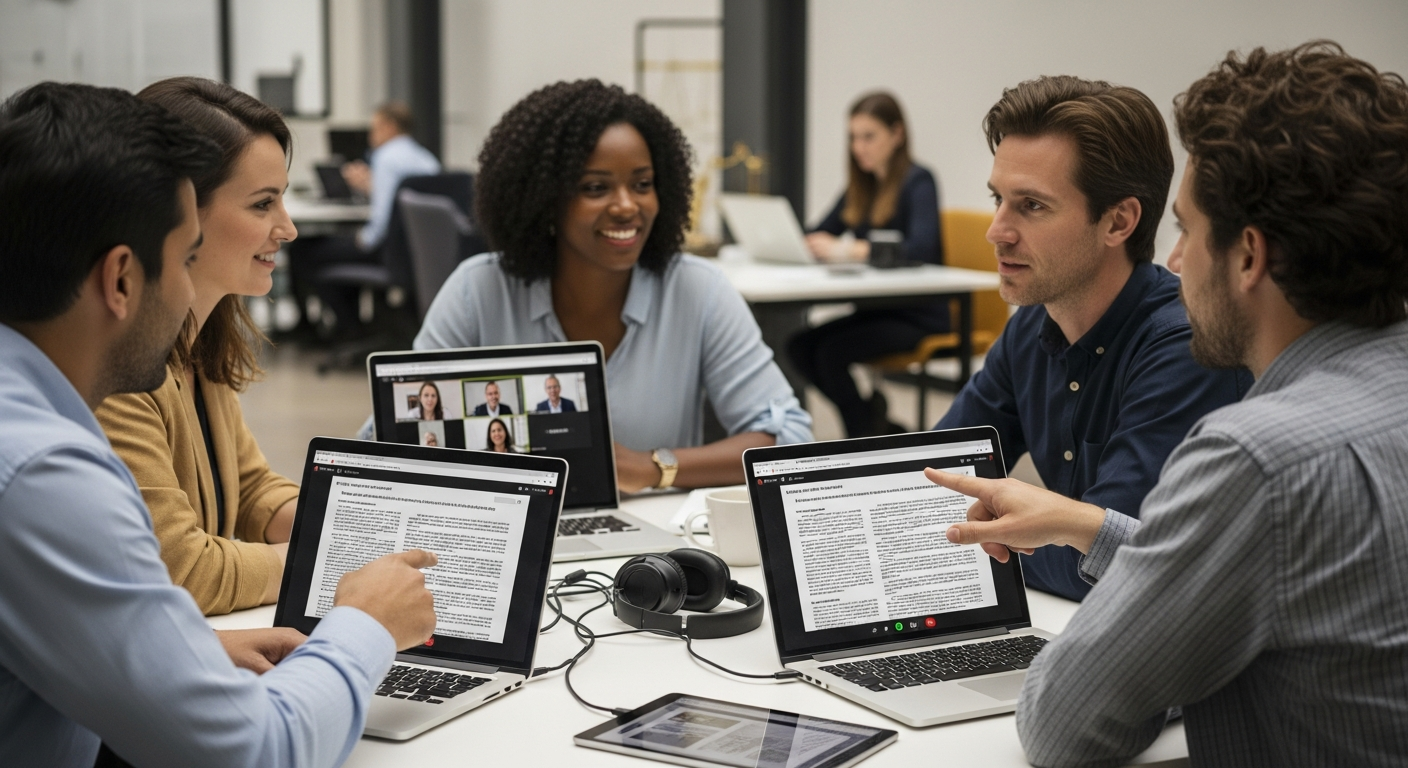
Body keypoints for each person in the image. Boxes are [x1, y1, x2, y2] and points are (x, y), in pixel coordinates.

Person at [929, 42, 1408, 766]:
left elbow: (1064, 726)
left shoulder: (1258, 459)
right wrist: (1091, 530)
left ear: (1248, 256)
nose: (1174, 260)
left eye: (1185, 228)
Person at [0, 81, 436, 767]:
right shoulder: (44, 470)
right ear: (121, 279)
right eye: (182, 255)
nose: (185, 294)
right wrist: (362, 621)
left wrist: (186, 654)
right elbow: (253, 752)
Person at [931, 75, 1251, 601]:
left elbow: (1117, 563)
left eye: (1031, 205)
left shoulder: (1185, 347)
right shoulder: (1032, 324)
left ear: (1118, 222)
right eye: (999, 199)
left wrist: (964, 541)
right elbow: (939, 482)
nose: (997, 231)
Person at [411, 80, 812, 491]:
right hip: (501, 534)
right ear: (544, 199)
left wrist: (656, 467)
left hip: (652, 542)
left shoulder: (697, 290)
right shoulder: (477, 291)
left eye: (642, 184)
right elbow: (388, 439)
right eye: (595, 188)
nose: (626, 206)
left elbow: (789, 438)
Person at [94, 77, 299, 616]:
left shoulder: (198, 340)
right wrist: (329, 565)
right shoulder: (115, 369)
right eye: (263, 204)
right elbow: (182, 569)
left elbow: (252, 489)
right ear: (181, 214)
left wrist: (361, 525)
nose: (288, 228)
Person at [788, 92, 947, 438]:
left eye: (868, 136)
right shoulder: (861, 186)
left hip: (918, 314)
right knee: (799, 347)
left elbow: (920, 248)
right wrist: (792, 241)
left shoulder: (919, 181)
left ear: (897, 134)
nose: (859, 147)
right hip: (876, 310)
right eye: (853, 137)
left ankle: (860, 435)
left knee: (830, 353)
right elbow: (821, 230)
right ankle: (871, 426)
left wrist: (854, 250)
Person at [291, 101, 440, 336]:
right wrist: (371, 189)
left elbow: (380, 224)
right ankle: (362, 326)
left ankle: (344, 328)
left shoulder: (386, 157)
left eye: (374, 128)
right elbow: (404, 206)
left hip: (386, 252)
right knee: (338, 250)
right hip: (418, 254)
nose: (371, 136)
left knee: (303, 250)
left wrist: (362, 240)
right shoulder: (426, 159)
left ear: (390, 126)